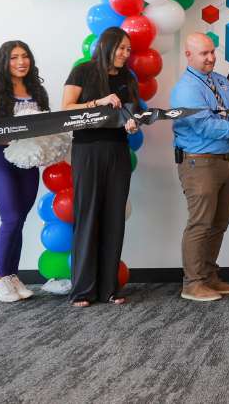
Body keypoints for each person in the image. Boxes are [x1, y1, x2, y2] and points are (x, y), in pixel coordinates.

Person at [169, 33, 229, 302]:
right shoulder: (186, 89)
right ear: (188, 56)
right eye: (204, 54)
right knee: (200, 223)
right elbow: (206, 127)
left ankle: (209, 276)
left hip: (224, 162)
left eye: (212, 52)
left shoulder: (218, 80)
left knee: (218, 223)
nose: (211, 57)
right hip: (199, 164)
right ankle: (192, 283)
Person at [62, 27, 139, 307]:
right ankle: (82, 290)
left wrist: (133, 123)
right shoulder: (83, 71)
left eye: (128, 50)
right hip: (87, 149)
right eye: (121, 48)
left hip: (117, 149)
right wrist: (99, 102)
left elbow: (131, 113)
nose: (125, 54)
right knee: (88, 215)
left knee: (114, 217)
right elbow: (66, 108)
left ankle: (109, 288)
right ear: (107, 46)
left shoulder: (128, 78)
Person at [0, 40, 49, 303]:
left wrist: (44, 147)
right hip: (1, 159)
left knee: (19, 219)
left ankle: (10, 275)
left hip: (28, 164)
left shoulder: (36, 90)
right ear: (4, 62)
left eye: (25, 56)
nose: (21, 62)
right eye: (14, 57)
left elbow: (44, 125)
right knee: (10, 218)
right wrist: (11, 138)